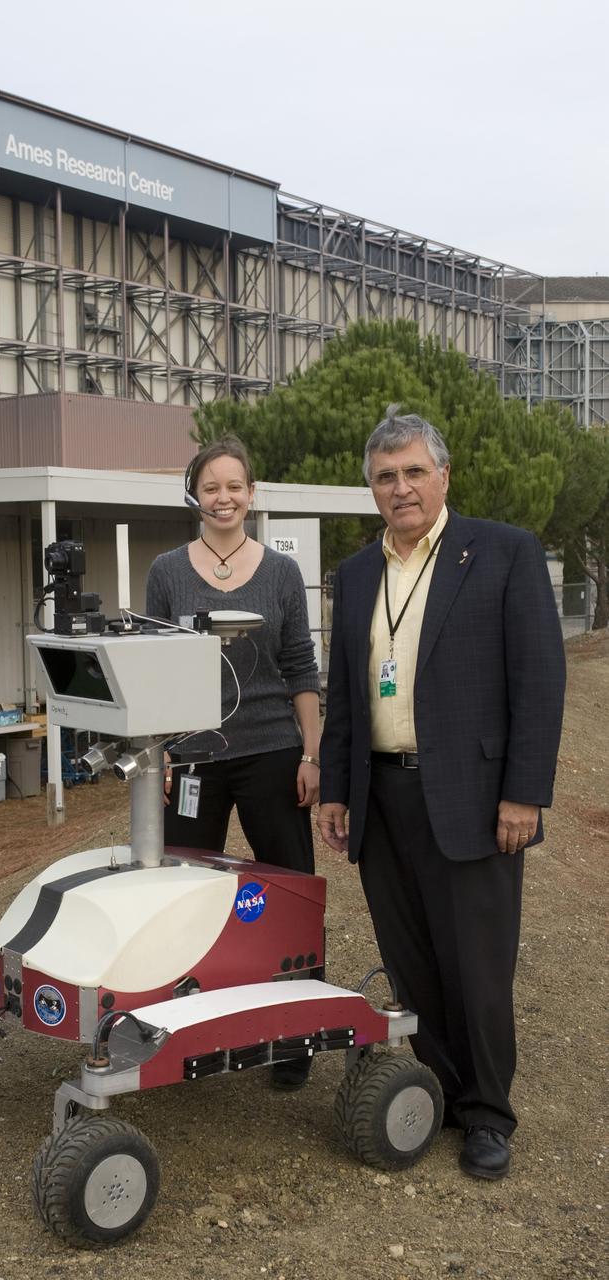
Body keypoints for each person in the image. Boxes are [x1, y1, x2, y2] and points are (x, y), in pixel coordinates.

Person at [318, 406, 565, 1181]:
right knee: (413, 963)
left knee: (478, 967)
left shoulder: (502, 553)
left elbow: (539, 682)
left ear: (444, 475)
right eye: (386, 477)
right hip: (382, 801)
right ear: (371, 489)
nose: (401, 488)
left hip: (473, 800)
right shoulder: (358, 575)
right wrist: (335, 788)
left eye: (414, 472)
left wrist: (524, 794)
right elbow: (346, 696)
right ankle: (441, 1096)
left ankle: (489, 1115)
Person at [146, 438, 321, 1091]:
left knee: (287, 892)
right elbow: (158, 668)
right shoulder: (167, 571)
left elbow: (301, 668)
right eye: (211, 486)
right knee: (182, 893)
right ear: (195, 494)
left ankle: (293, 1034)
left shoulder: (278, 573)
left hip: (273, 749)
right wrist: (162, 750)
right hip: (195, 755)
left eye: (235, 486)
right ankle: (183, 1027)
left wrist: (311, 753)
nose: (223, 498)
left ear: (252, 494)